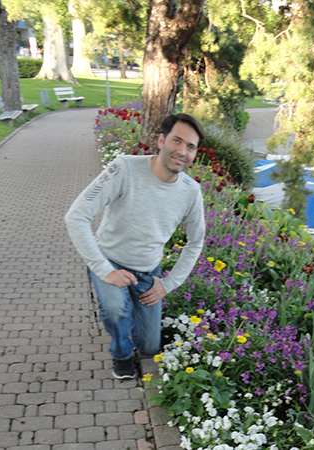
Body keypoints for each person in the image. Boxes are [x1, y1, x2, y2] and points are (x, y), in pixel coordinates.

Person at [65, 114, 206, 379]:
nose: (182, 151)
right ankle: (120, 353)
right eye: (176, 141)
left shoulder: (190, 191)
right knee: (115, 309)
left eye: (190, 147)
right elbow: (76, 216)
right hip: (110, 260)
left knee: (149, 346)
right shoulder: (124, 169)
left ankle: (126, 317)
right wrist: (104, 270)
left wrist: (168, 283)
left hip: (147, 270)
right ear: (161, 141)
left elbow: (196, 241)